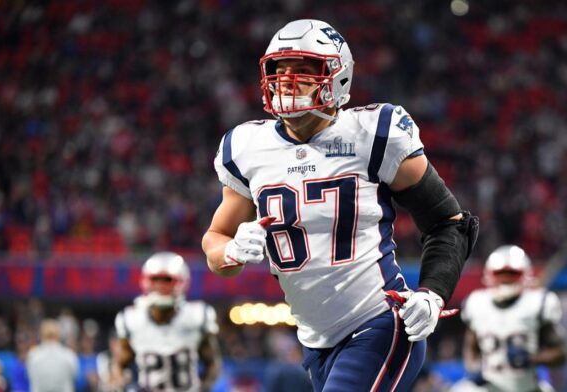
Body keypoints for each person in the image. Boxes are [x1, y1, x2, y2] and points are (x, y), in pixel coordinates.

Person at [202, 19, 479, 391]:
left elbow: (449, 222)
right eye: (279, 70)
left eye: (303, 70)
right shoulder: (245, 148)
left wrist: (432, 293)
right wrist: (231, 251)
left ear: (338, 77)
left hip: (379, 322)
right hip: (316, 340)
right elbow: (215, 241)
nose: (287, 80)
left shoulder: (374, 134)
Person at [461, 245, 567, 392]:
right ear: (489, 276)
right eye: (500, 274)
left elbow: (561, 354)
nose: (505, 280)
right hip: (489, 387)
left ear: (525, 275)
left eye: (512, 274)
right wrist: (474, 368)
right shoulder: (477, 304)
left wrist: (531, 358)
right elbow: (471, 348)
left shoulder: (537, 304)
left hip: (527, 387)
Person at [112, 252, 221, 391]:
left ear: (182, 281)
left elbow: (212, 364)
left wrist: (203, 388)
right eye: (156, 279)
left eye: (167, 280)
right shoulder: (132, 319)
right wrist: (121, 384)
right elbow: (119, 365)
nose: (161, 285)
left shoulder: (197, 316)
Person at [26, 319, 79, 392]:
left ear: (41, 334)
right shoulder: (69, 355)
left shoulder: (33, 355)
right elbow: (75, 377)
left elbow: (30, 377)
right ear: (59, 334)